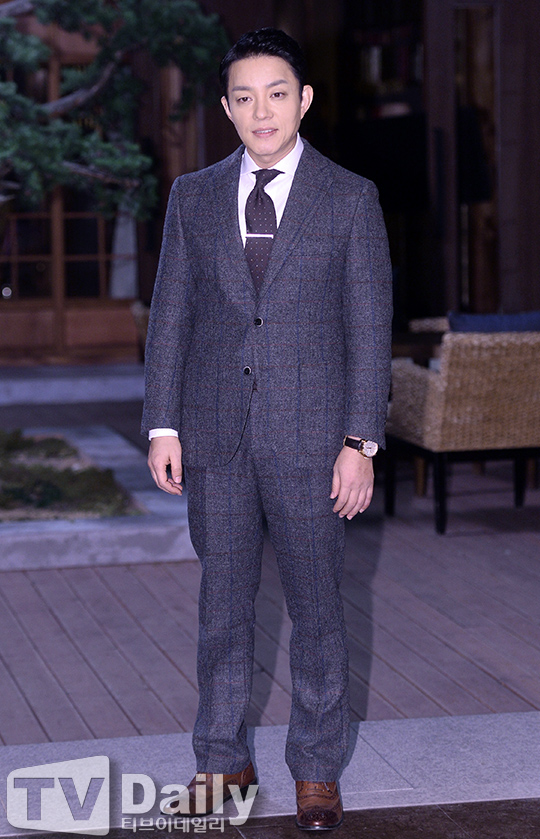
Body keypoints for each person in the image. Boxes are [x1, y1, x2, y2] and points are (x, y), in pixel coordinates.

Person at [142, 27, 392, 832]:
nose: (262, 111)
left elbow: (369, 329)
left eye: (277, 94)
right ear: (225, 107)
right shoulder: (193, 196)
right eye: (244, 97)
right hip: (214, 438)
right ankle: (222, 761)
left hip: (314, 443)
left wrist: (360, 442)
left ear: (304, 100)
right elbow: (171, 316)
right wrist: (163, 424)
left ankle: (316, 767)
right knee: (222, 611)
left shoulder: (349, 198)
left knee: (318, 612)